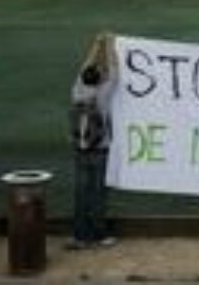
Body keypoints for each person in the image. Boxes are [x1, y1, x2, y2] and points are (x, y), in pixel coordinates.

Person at [67, 34, 118, 250]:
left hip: (80, 149)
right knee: (98, 194)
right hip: (100, 151)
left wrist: (95, 46)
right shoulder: (103, 96)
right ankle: (99, 235)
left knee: (81, 194)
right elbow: (115, 72)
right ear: (99, 80)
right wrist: (110, 47)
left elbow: (84, 68)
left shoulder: (77, 92)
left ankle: (79, 236)